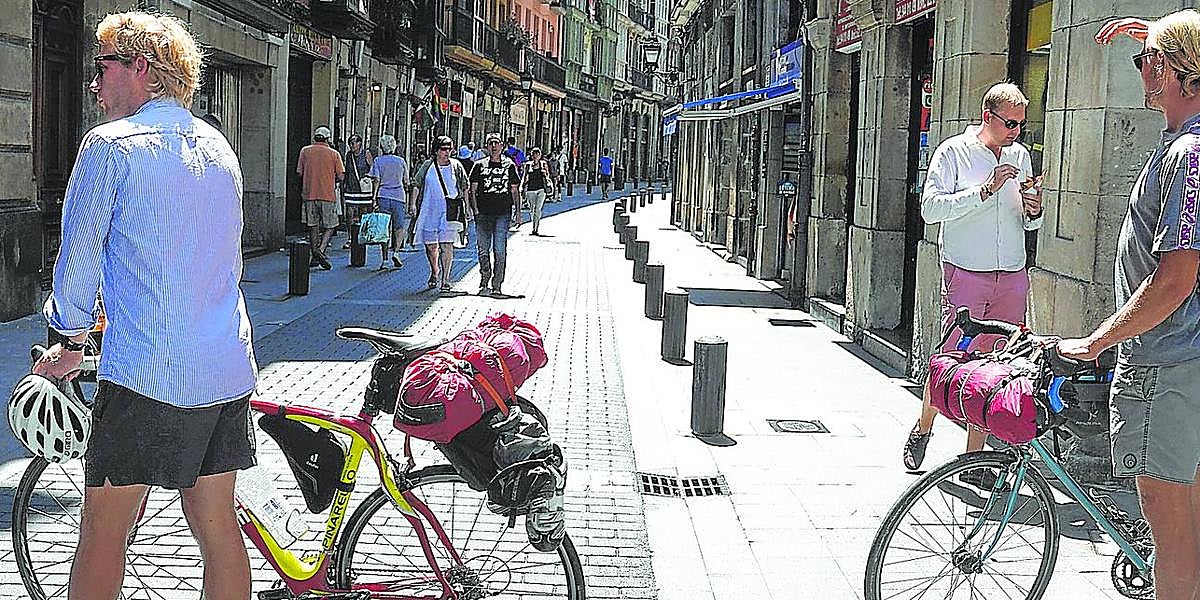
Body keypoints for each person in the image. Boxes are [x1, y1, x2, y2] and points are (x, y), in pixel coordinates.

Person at [31, 12, 257, 600]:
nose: (93, 82)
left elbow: (79, 260)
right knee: (218, 529)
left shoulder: (109, 146)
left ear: (140, 68)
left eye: (102, 66)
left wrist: (69, 340)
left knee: (104, 532)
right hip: (223, 368)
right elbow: (219, 261)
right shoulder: (219, 147)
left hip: (148, 374)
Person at [1055, 12, 1200, 599]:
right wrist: (1163, 35)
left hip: (1167, 364)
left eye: (1145, 61)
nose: (1141, 71)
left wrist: (1096, 342)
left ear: (1165, 70)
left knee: (1174, 536)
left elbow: (1175, 277)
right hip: (1181, 361)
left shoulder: (1188, 153)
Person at [901, 82, 1044, 488]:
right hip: (966, 270)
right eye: (1010, 123)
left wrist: (1034, 211)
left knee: (995, 368)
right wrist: (984, 190)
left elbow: (1025, 221)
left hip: (1012, 271)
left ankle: (973, 459)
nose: (1017, 131)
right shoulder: (954, 152)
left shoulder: (1020, 156)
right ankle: (924, 426)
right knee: (951, 359)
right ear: (987, 116)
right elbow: (931, 210)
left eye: (1021, 123)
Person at [410, 135, 469, 292]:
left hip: (449, 212)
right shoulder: (428, 165)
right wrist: (413, 204)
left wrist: (467, 207)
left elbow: (465, 186)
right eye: (443, 149)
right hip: (429, 211)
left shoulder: (456, 166)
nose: (447, 152)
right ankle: (435, 270)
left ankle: (445, 280)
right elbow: (416, 184)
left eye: (450, 149)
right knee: (431, 246)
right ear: (436, 150)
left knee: (447, 245)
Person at [470, 132, 521, 296]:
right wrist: (474, 209)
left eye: (496, 143)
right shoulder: (479, 166)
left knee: (499, 251)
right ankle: (485, 279)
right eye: (490, 143)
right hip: (483, 214)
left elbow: (515, 190)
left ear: (502, 146)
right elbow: (473, 190)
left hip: (502, 214)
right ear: (486, 146)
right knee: (483, 251)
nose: (493, 146)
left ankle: (497, 284)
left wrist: (518, 212)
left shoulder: (509, 165)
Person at [297, 125, 343, 270]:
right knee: (331, 225)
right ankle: (320, 250)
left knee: (313, 225)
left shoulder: (305, 151)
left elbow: (299, 172)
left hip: (309, 194)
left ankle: (315, 251)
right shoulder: (334, 154)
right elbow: (341, 175)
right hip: (327, 194)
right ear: (327, 139)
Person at [367, 133, 408, 269]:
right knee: (399, 227)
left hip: (383, 196)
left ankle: (384, 259)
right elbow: (406, 181)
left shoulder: (378, 161)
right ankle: (396, 252)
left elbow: (376, 180)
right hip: (399, 197)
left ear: (381, 147)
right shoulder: (401, 161)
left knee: (383, 227)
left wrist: (374, 198)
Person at [342, 133, 375, 249]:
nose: (351, 145)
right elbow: (347, 170)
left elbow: (372, 168)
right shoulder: (348, 155)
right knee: (349, 213)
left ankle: (361, 235)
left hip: (363, 189)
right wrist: (344, 184)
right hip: (351, 188)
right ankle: (350, 237)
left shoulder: (366, 153)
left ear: (359, 143)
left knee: (363, 213)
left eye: (353, 143)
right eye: (350, 143)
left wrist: (368, 177)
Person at [522, 147, 551, 236]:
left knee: (538, 209)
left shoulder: (543, 164)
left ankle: (535, 228)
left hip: (541, 189)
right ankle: (534, 223)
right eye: (534, 154)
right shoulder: (528, 165)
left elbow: (547, 175)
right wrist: (522, 187)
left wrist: (545, 173)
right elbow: (524, 176)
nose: (535, 156)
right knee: (532, 209)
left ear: (540, 155)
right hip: (530, 189)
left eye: (537, 154)